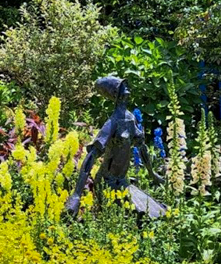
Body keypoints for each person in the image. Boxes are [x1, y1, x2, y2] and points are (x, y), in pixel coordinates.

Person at [64, 76, 166, 218]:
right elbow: (91, 156)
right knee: (138, 217)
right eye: (123, 87)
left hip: (123, 182)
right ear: (116, 94)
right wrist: (76, 194)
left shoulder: (130, 119)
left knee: (158, 212)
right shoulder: (112, 123)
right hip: (107, 183)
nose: (128, 90)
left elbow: (141, 147)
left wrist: (152, 174)